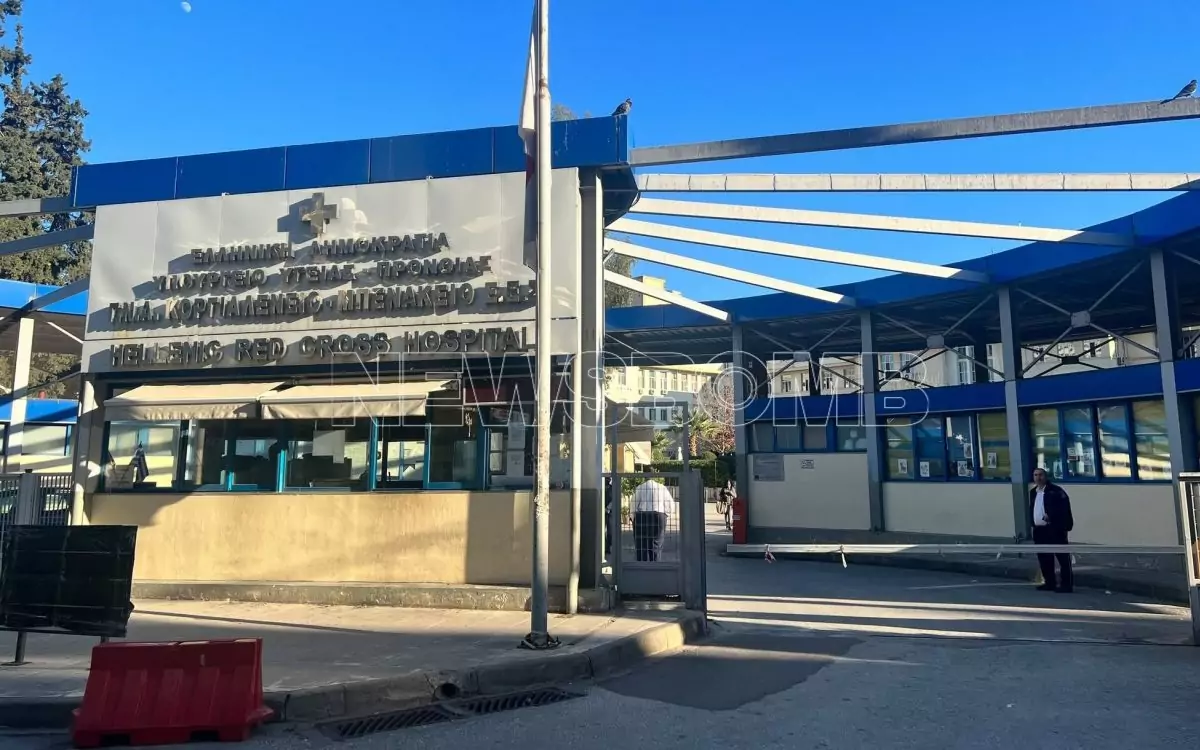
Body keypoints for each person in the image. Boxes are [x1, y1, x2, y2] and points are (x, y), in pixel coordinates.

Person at [1029, 467, 1074, 593]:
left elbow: (1064, 509)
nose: (1038, 478)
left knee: (1062, 557)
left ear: (1046, 476)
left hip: (1055, 529)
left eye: (1041, 475)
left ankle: (1066, 585)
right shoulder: (1033, 492)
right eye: (1035, 475)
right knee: (1044, 557)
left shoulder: (1056, 491)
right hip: (1039, 530)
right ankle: (1049, 582)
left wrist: (1052, 517)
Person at [631, 468, 674, 562]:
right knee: (656, 544)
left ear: (644, 476)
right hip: (658, 515)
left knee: (641, 544)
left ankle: (642, 566)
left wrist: (633, 517)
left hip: (642, 516)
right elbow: (670, 504)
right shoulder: (661, 487)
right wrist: (665, 515)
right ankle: (655, 565)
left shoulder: (640, 487)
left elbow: (634, 504)